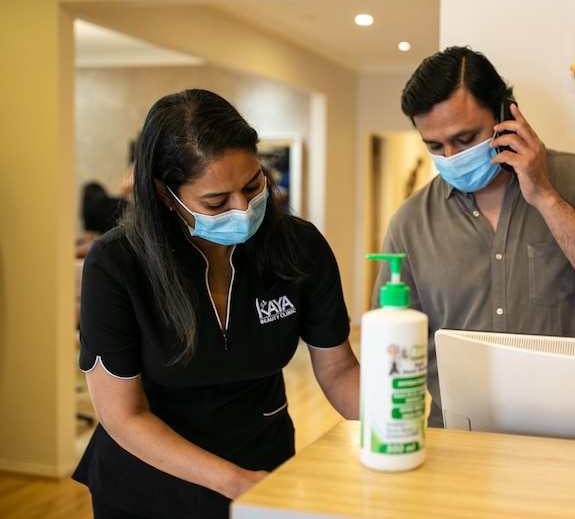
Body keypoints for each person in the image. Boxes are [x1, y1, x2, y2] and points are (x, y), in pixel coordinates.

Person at [73, 89, 360, 519]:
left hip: (264, 463)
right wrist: (236, 481)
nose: (242, 209)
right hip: (149, 484)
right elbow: (124, 415)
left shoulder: (299, 248)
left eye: (253, 185)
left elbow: (339, 369)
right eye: (216, 201)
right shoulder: (118, 263)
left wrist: (392, 432)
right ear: (166, 194)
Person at [373, 46, 575, 428]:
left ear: (506, 115)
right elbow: (392, 351)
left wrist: (545, 196)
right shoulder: (411, 222)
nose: (451, 156)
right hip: (459, 438)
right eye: (435, 146)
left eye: (464, 139)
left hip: (568, 435)